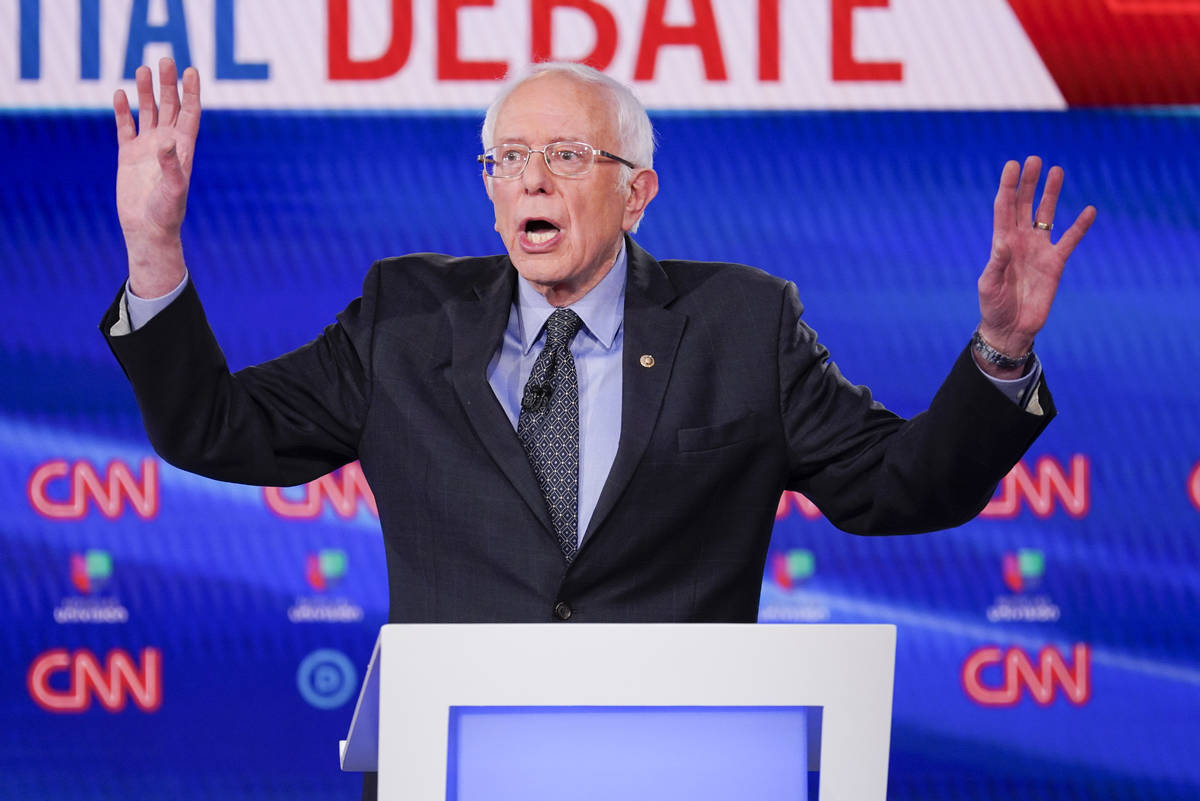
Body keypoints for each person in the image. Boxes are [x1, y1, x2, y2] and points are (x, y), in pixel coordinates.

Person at [102, 56, 1093, 793]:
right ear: (489, 188)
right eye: (510, 158)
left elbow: (900, 488)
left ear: (637, 192)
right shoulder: (403, 320)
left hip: (683, 769)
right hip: (453, 774)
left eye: (567, 156)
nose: (532, 179)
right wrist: (153, 246)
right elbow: (215, 430)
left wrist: (999, 349)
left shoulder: (743, 324)